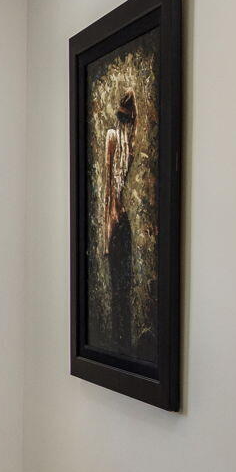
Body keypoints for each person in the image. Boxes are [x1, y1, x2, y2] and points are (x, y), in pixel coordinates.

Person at [101, 92, 136, 353]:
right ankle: (118, 338)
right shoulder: (115, 137)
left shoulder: (128, 140)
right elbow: (108, 182)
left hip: (122, 217)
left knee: (125, 280)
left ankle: (123, 338)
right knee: (117, 281)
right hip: (117, 215)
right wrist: (107, 229)